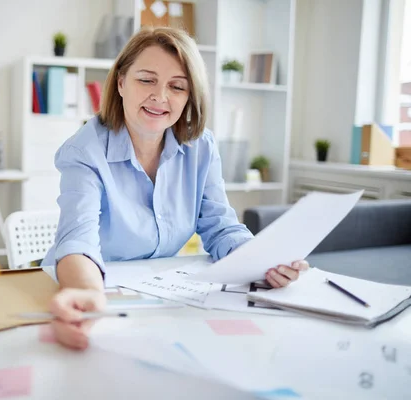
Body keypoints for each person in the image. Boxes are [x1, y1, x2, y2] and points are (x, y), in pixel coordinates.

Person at [41, 27, 309, 350]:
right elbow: (77, 240)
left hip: (158, 303)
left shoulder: (201, 147)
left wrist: (262, 262)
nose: (161, 96)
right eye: (146, 80)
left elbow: (221, 228)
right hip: (88, 293)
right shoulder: (85, 151)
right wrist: (88, 292)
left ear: (189, 95)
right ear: (121, 82)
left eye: (177, 86)